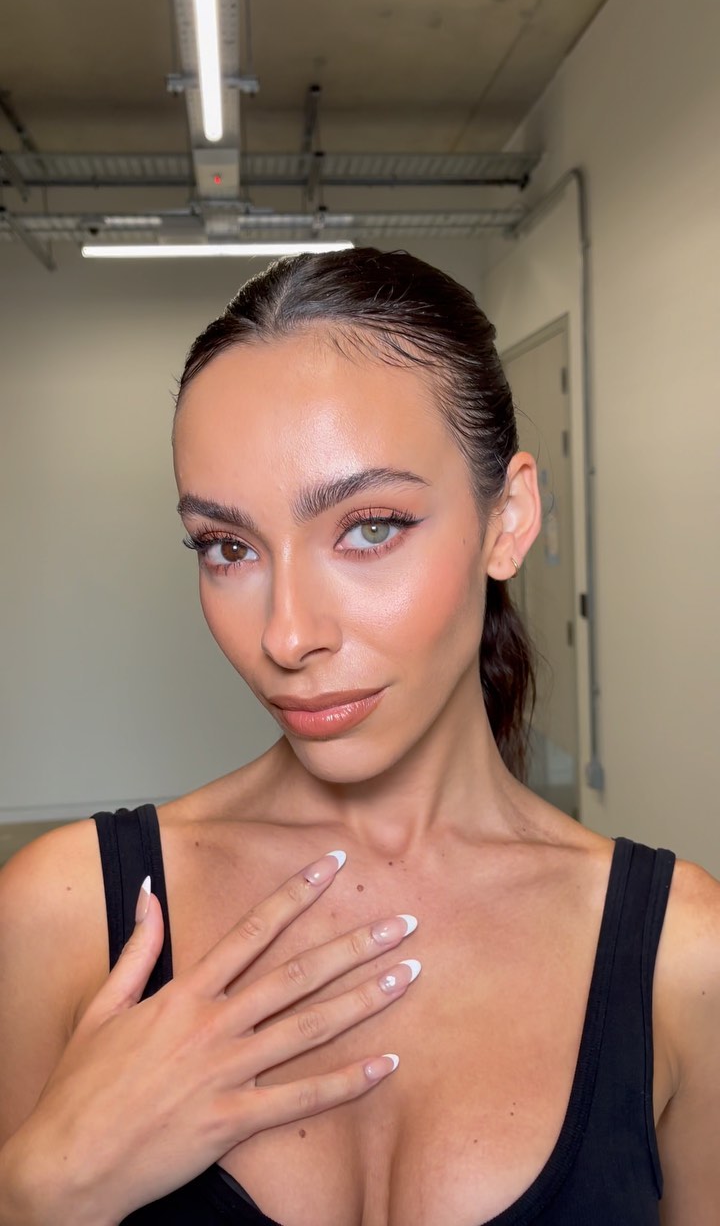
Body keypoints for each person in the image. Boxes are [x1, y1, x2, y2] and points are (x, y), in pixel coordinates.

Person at [0, 247, 718, 1225]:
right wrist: (40, 1192)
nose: (287, 633)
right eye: (228, 546)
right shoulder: (63, 917)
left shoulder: (684, 956)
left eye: (370, 526)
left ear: (509, 519)